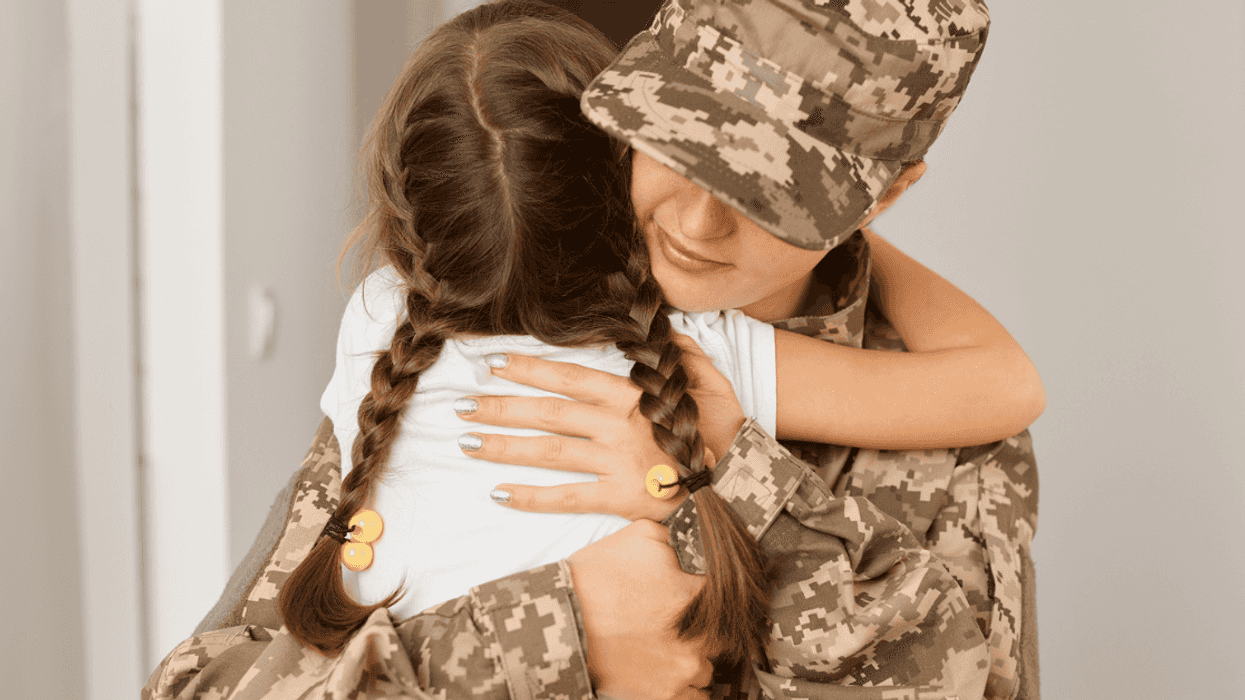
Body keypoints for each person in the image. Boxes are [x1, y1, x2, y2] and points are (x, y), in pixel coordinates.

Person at [145, 1, 1040, 699]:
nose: (695, 223)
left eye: (774, 189)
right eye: (681, 143)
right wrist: (557, 633)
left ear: (885, 192)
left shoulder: (940, 438)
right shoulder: (482, 324)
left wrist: (739, 486)